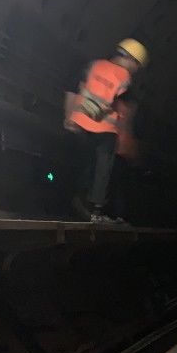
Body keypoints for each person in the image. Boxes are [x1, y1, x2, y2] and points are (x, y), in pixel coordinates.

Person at [64, 38, 148, 223]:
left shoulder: (94, 65)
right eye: (136, 65)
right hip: (104, 129)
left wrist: (69, 116)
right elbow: (126, 113)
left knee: (87, 164)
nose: (135, 69)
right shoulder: (124, 79)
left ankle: (78, 202)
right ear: (131, 60)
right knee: (102, 170)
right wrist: (127, 143)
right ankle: (95, 209)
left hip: (80, 122)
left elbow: (72, 89)